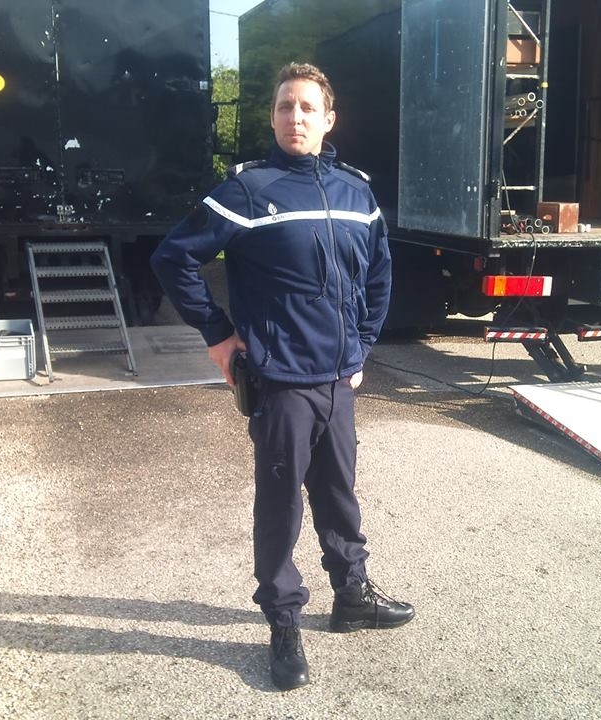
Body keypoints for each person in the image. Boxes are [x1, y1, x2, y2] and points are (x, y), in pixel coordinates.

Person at [150, 62, 414, 691]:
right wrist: (219, 334)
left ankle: (352, 595)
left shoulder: (356, 193)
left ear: (329, 119)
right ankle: (283, 620)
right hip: (282, 382)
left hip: (339, 382)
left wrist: (361, 349)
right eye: (284, 107)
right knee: (280, 506)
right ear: (272, 118)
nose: (295, 117)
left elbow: (378, 275)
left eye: (306, 107)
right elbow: (173, 258)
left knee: (339, 493)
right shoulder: (248, 190)